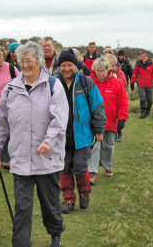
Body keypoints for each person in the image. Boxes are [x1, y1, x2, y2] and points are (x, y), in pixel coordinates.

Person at [0, 41, 68, 247]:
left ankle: (55, 234)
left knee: (49, 205)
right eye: (21, 61)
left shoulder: (53, 85)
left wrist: (49, 141)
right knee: (22, 206)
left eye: (29, 61)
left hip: (47, 158)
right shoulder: (11, 88)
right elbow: (1, 122)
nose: (25, 65)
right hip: (21, 158)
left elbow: (59, 120)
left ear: (39, 62)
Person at [57, 49, 106, 214]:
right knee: (64, 167)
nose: (66, 68)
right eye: (63, 65)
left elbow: (98, 106)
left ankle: (84, 193)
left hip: (83, 134)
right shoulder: (54, 83)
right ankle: (68, 199)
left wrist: (99, 129)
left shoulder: (86, 82)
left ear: (75, 65)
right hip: (61, 135)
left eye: (70, 64)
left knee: (79, 166)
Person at [88, 57, 129, 185]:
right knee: (94, 147)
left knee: (108, 146)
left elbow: (123, 102)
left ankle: (107, 165)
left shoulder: (116, 84)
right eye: (98, 70)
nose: (101, 73)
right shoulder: (89, 82)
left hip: (111, 122)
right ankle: (92, 172)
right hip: (93, 123)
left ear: (108, 69)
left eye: (103, 70)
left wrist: (122, 118)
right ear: (95, 70)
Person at [130, 52, 153, 118]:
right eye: (142, 56)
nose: (143, 57)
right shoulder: (138, 65)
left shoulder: (152, 64)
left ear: (147, 57)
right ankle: (143, 112)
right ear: (140, 57)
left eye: (144, 56)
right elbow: (134, 74)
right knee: (142, 98)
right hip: (141, 85)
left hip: (150, 85)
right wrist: (132, 83)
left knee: (150, 100)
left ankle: (148, 110)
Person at [105, 54, 127, 142]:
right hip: (108, 99)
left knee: (117, 117)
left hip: (117, 98)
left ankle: (119, 132)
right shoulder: (101, 73)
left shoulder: (119, 72)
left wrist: (116, 80)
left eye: (108, 63)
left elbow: (124, 83)